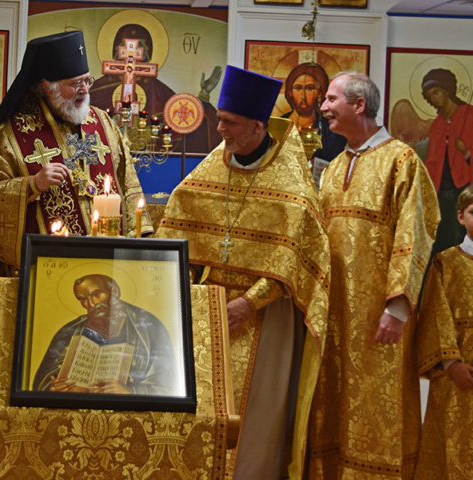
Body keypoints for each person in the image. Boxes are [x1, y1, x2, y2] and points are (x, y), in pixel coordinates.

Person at [156, 66, 330, 480]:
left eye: (229, 123)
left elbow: (297, 258)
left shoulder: (292, 185)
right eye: (219, 119)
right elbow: (177, 235)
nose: (219, 130)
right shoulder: (211, 169)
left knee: (258, 417)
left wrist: (250, 303)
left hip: (266, 318)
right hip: (208, 312)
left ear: (257, 126)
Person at [307, 72, 440, 479]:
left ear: (359, 104)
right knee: (331, 402)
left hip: (377, 316)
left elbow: (415, 233)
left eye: (331, 99)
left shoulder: (402, 160)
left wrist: (397, 307)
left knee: (376, 402)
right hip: (333, 313)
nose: (323, 107)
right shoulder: (333, 168)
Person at [0, 30, 152, 276]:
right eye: (75, 84)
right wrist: (32, 184)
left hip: (108, 263)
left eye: (87, 80)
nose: (84, 90)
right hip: (44, 269)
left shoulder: (103, 123)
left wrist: (140, 243)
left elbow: (129, 182)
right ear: (47, 87)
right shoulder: (11, 135)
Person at [33, 274, 176, 395]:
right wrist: (55, 389)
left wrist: (129, 391)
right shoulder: (70, 330)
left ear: (114, 291)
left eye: (96, 295)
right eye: (83, 299)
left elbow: (167, 384)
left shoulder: (147, 327)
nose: (91, 304)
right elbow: (43, 381)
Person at [414, 186, 473, 480]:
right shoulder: (445, 262)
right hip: (457, 375)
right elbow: (436, 315)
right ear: (460, 216)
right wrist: (452, 363)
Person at [90, 23, 222, 154]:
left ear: (148, 55)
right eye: (125, 49)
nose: (132, 57)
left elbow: (183, 121)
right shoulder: (96, 90)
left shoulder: (159, 92)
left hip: (150, 160)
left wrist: (203, 97)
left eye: (139, 50)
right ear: (115, 53)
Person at [421, 68, 473, 254]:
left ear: (447, 89)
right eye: (429, 96)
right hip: (442, 192)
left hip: (465, 190)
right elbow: (431, 161)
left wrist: (466, 153)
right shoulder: (438, 124)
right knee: (441, 239)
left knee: (461, 238)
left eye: (436, 92)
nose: (433, 98)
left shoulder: (469, 116)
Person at [282, 62, 346, 161]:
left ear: (320, 93)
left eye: (310, 88)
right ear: (290, 92)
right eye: (298, 88)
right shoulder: (278, 124)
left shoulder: (332, 131)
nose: (303, 96)